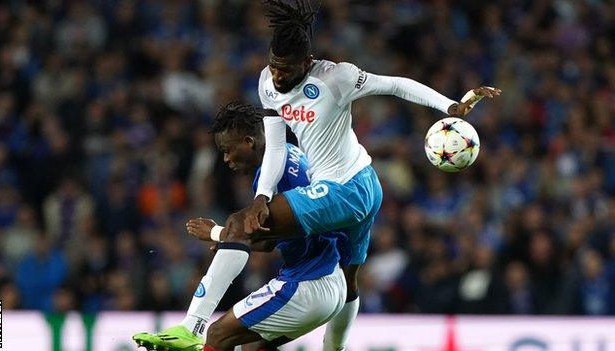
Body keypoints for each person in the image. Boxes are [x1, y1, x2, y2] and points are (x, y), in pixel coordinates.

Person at [202, 1, 501, 350]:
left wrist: (450, 106)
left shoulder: (336, 77)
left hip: (348, 187)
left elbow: (395, 85)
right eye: (274, 66)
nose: (278, 76)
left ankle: (195, 322)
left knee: (255, 226)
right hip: (357, 187)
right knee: (348, 276)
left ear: (307, 63)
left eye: (286, 69)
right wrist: (261, 195)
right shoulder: (267, 84)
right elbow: (277, 148)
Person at [133, 101, 350, 351]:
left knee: (216, 335)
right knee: (248, 346)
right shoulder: (291, 153)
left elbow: (254, 234)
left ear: (249, 142)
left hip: (306, 284)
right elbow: (273, 236)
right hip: (332, 284)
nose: (226, 159)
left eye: (227, 150)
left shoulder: (271, 175)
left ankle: (192, 326)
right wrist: (231, 244)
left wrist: (219, 233)